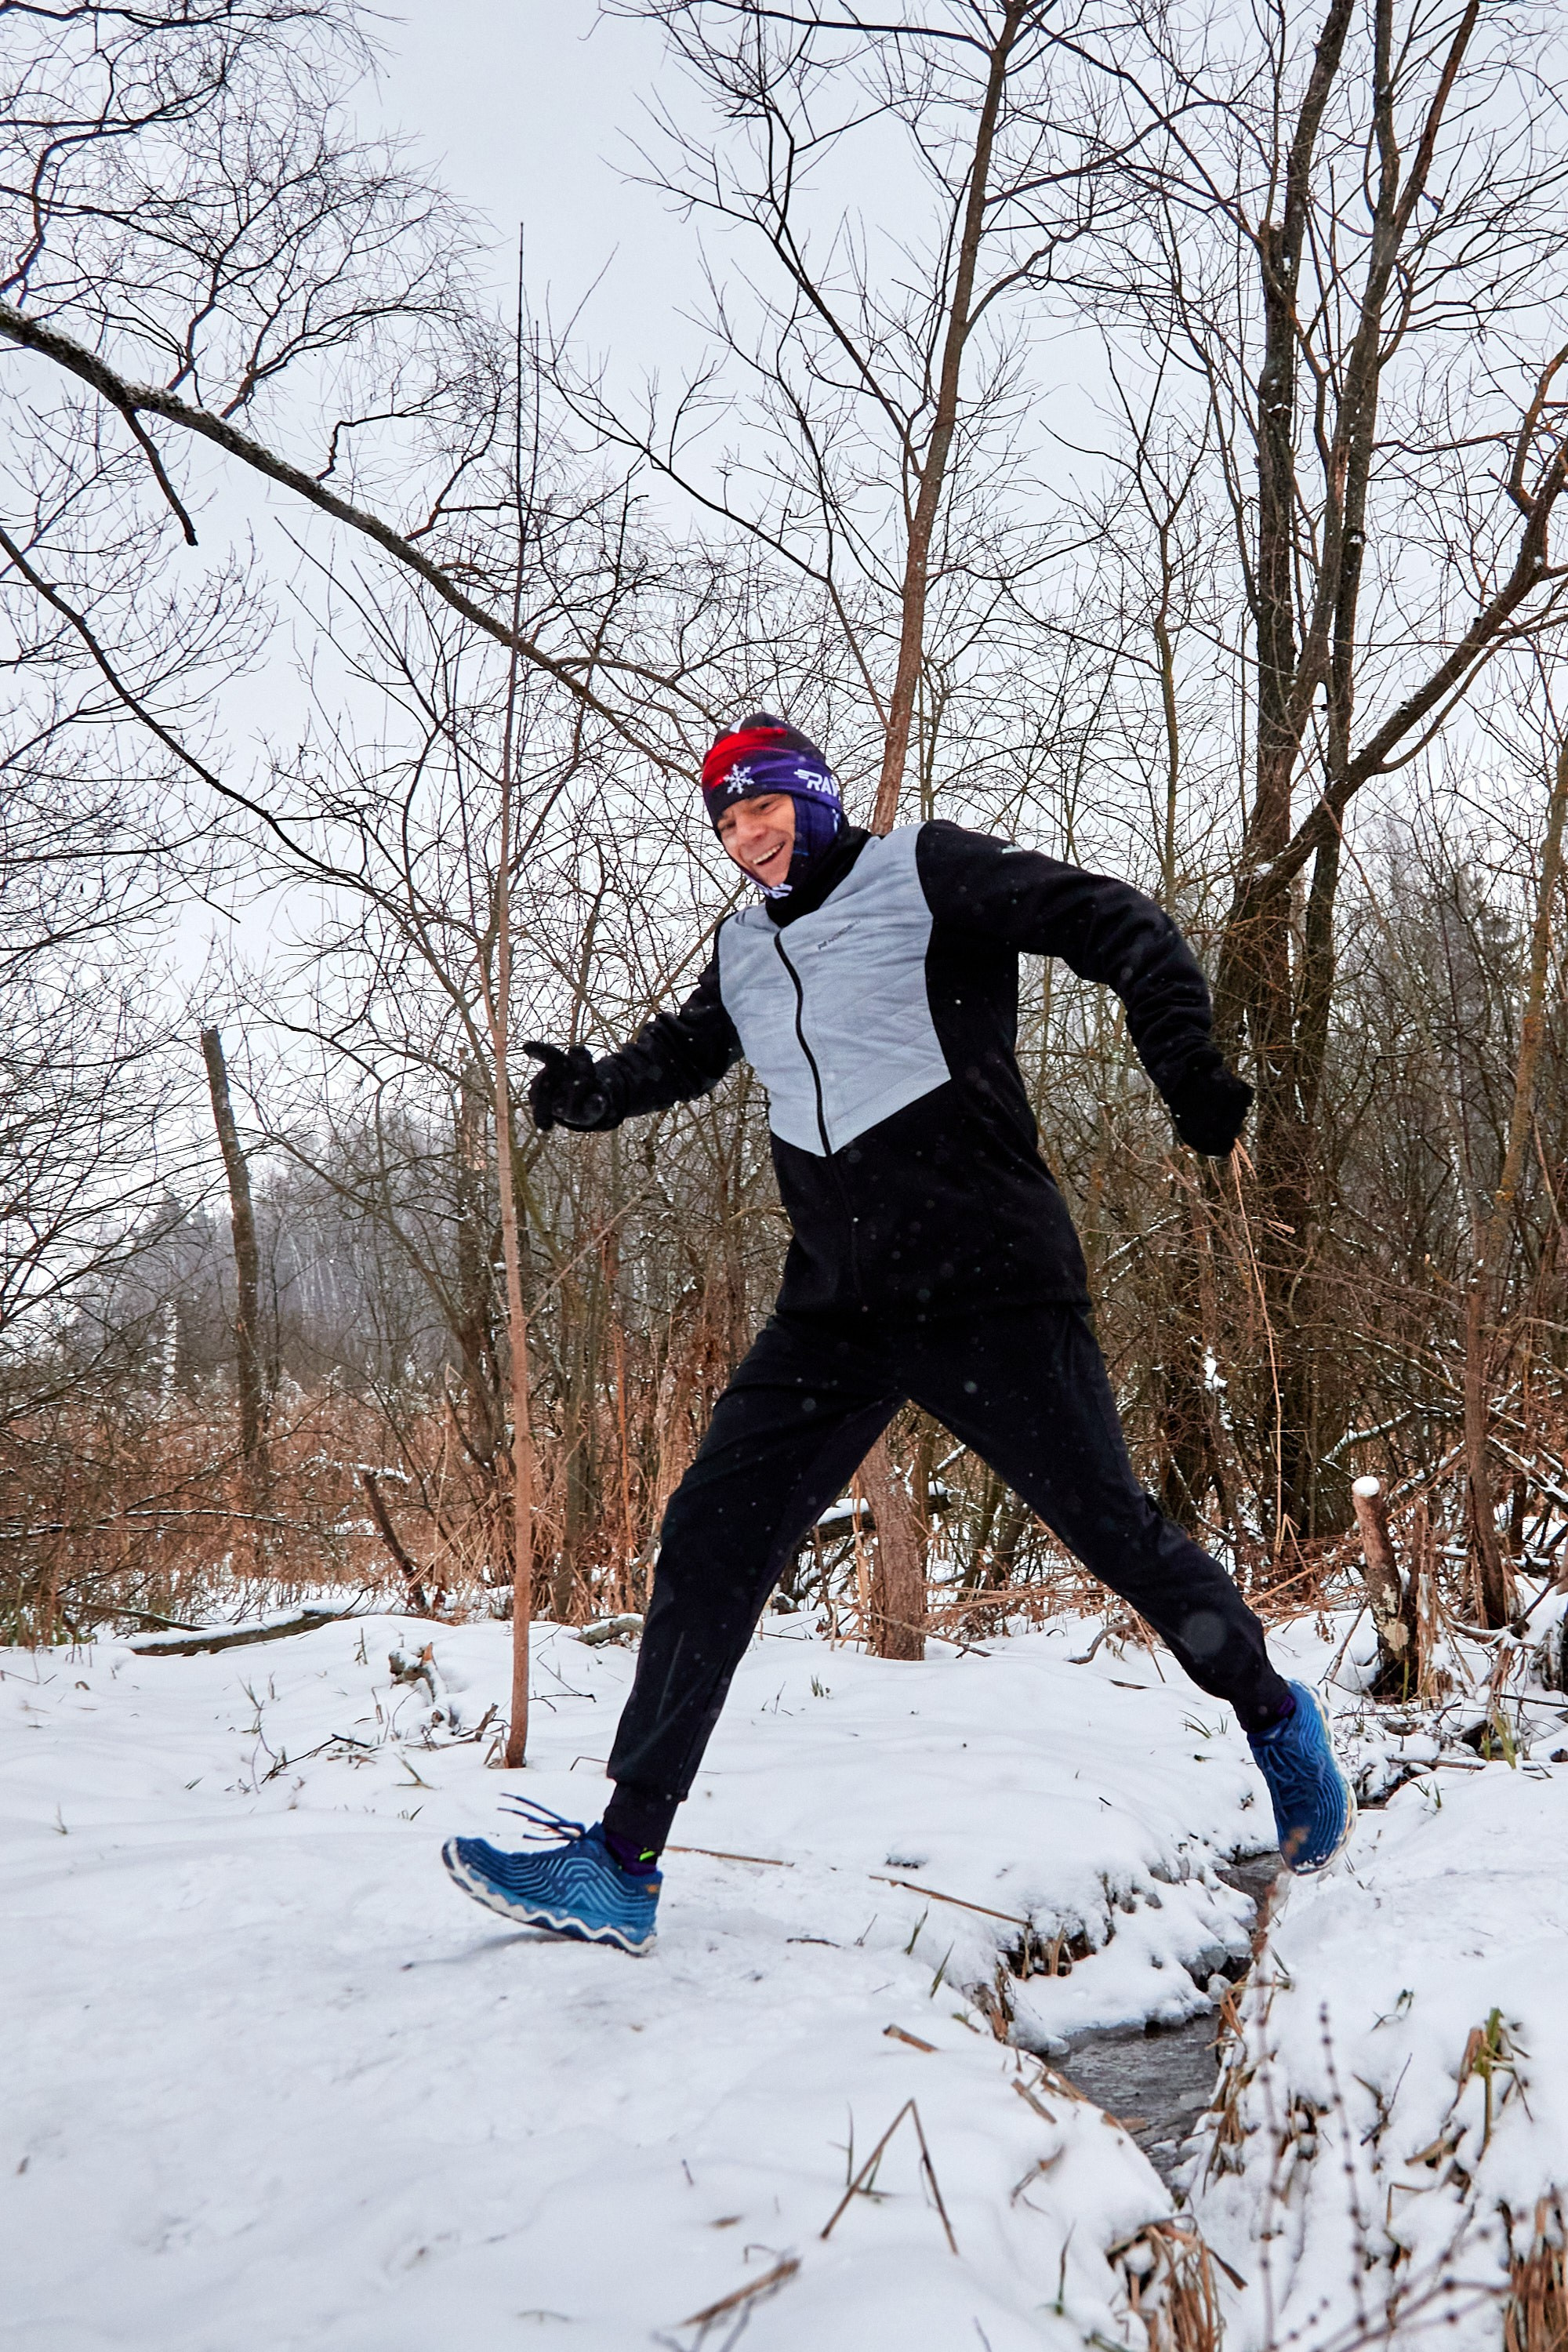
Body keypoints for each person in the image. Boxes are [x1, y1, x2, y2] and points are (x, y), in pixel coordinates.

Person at [442, 715, 1354, 1955]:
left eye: (761, 805)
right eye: (723, 821)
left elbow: (1116, 922)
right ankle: (624, 1858)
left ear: (813, 796)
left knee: (1115, 1532)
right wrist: (600, 1089)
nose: (746, 835)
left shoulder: (923, 871)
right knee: (710, 1532)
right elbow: (694, 1049)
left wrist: (1184, 1061)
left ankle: (1274, 1719)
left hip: (993, 1286)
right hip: (836, 1310)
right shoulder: (741, 949)